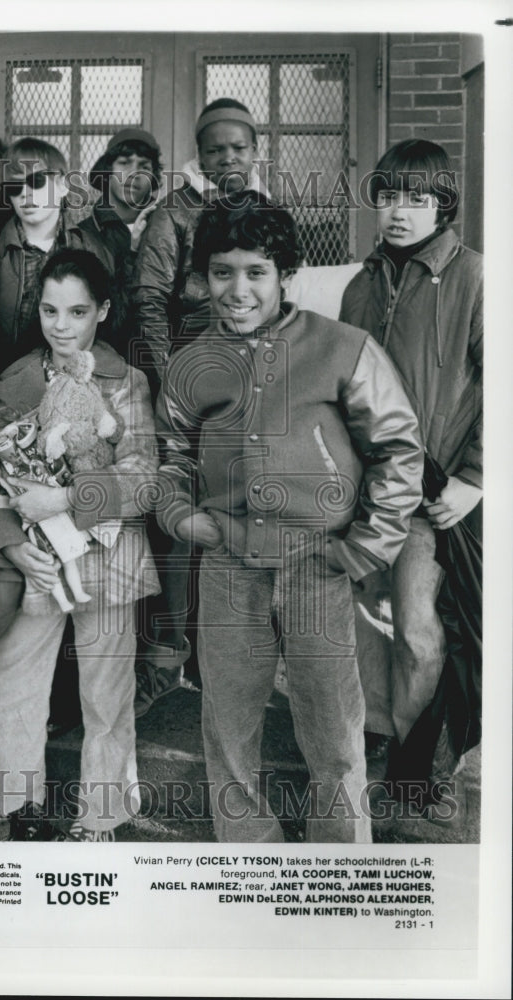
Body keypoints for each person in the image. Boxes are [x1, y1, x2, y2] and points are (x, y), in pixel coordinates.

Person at [155, 192, 423, 842]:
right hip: (227, 564)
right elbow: (171, 458)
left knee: (333, 732)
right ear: (203, 277)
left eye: (256, 272)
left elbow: (399, 450)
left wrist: (362, 551)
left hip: (320, 567)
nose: (238, 290)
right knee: (228, 728)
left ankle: (338, 866)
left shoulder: (343, 348)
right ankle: (252, 863)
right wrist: (183, 516)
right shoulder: (192, 365)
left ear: (285, 275)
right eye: (223, 272)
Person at [0, 248, 159, 842]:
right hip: (36, 561)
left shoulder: (127, 381)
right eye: (48, 309)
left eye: (77, 311)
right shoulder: (16, 378)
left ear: (103, 312)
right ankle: (9, 796)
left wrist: (65, 501)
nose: (60, 325)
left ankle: (103, 813)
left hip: (107, 560)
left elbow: (145, 477)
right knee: (11, 676)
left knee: (106, 691)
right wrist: (11, 545)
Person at [339, 139, 483, 767]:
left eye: (416, 199)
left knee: (420, 631)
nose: (399, 211)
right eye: (389, 197)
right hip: (366, 491)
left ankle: (416, 749)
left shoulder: (475, 278)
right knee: (364, 618)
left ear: (442, 204)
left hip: (432, 494)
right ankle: (373, 727)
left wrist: (476, 477)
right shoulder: (359, 286)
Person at [131, 98, 268, 717]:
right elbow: (151, 302)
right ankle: (166, 655)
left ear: (255, 150)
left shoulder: (263, 213)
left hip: (245, 386)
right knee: (180, 523)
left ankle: (225, 658)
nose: (227, 158)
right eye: (215, 149)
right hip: (187, 383)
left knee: (237, 514)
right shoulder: (173, 215)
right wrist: (169, 384)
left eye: (238, 147)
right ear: (200, 154)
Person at [0, 137, 114, 372]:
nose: (25, 193)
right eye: (14, 185)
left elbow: (108, 327)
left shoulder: (92, 250)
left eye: (36, 181)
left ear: (62, 185)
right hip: (8, 383)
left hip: (75, 380)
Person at [79, 128, 163, 360]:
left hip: (159, 361)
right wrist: (132, 251)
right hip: (100, 360)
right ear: (107, 171)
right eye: (124, 163)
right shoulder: (85, 233)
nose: (133, 174)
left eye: (144, 167)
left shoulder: (165, 228)